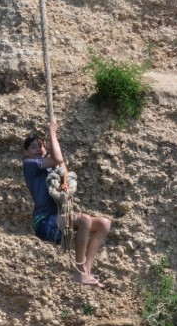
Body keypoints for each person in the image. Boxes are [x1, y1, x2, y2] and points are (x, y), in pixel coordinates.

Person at [23, 119, 112, 288]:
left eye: (41, 146)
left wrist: (64, 181)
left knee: (104, 224)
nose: (38, 149)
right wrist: (52, 131)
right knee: (84, 219)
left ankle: (86, 271)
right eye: (33, 147)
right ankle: (79, 272)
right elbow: (58, 158)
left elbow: (62, 167)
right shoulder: (30, 165)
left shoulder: (50, 168)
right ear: (26, 152)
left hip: (59, 221)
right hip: (44, 222)